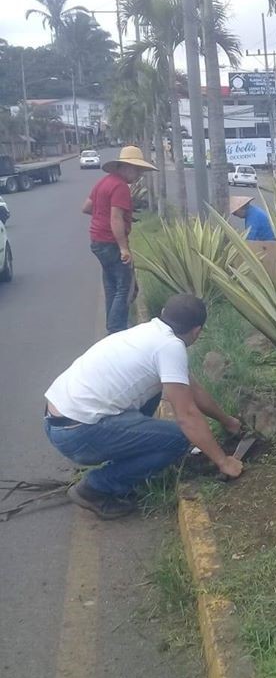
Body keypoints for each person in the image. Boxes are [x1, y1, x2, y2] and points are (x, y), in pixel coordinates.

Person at [44, 294, 244, 520]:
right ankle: (95, 487)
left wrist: (228, 422)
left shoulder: (149, 332)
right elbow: (187, 416)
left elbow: (191, 389)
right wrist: (222, 460)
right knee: (178, 438)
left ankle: (124, 456)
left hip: (59, 421)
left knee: (157, 390)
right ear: (197, 331)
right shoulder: (170, 347)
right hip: (79, 433)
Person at [82, 145, 157, 334]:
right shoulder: (121, 187)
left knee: (111, 284)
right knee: (126, 286)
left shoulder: (104, 182)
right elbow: (115, 218)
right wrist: (124, 248)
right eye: (137, 169)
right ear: (125, 167)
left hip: (97, 241)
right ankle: (117, 329)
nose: (139, 174)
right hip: (111, 243)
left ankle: (113, 326)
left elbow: (87, 207)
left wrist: (104, 216)